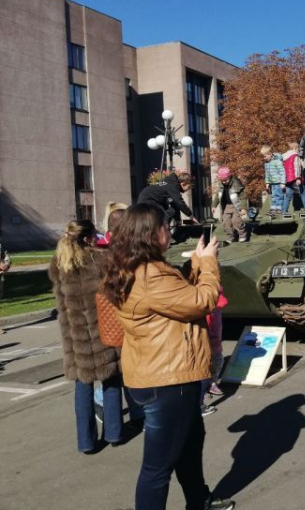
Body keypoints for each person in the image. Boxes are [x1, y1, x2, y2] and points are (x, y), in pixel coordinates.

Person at [101, 203, 234, 510]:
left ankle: (198, 500)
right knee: (157, 469)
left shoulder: (137, 267)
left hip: (161, 373)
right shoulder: (151, 275)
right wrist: (210, 263)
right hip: (168, 380)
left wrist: (199, 264)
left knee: (188, 444)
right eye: (165, 225)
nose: (169, 230)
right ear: (151, 233)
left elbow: (181, 300)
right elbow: (202, 301)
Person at [48, 220, 123, 453]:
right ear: (90, 238)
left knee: (83, 385)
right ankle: (114, 432)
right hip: (104, 327)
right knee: (110, 380)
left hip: (75, 333)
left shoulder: (59, 263)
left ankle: (86, 441)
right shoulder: (101, 259)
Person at [93, 203, 144, 428]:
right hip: (122, 314)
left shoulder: (98, 250)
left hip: (106, 316)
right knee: (126, 366)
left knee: (116, 369)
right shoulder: (127, 250)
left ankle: (128, 415)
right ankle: (135, 412)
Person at [200, 289, 228, 417]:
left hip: (213, 322)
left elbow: (221, 300)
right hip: (201, 322)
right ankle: (203, 389)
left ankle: (210, 383)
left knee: (216, 358)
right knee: (202, 362)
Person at [212, 166, 248, 243]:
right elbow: (218, 196)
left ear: (230, 177)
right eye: (222, 181)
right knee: (226, 222)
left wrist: (244, 208)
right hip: (226, 206)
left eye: (226, 180)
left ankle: (242, 235)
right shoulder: (221, 185)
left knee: (236, 221)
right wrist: (214, 206)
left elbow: (243, 197)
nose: (224, 182)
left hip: (235, 205)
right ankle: (230, 237)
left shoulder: (236, 183)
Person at [282, 141, 305, 212]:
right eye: (298, 149)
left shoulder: (283, 157)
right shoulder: (295, 156)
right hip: (294, 178)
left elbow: (282, 169)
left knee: (288, 196)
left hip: (287, 180)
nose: (299, 151)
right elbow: (297, 167)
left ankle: (283, 211)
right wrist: (298, 178)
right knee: (303, 192)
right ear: (295, 148)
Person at [261, 145, 285, 215]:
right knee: (273, 195)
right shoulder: (266, 163)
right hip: (272, 183)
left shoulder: (277, 161)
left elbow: (282, 172)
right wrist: (267, 182)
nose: (264, 158)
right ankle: (273, 208)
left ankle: (279, 207)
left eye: (265, 156)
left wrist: (283, 182)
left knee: (279, 195)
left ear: (270, 154)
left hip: (278, 182)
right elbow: (267, 173)